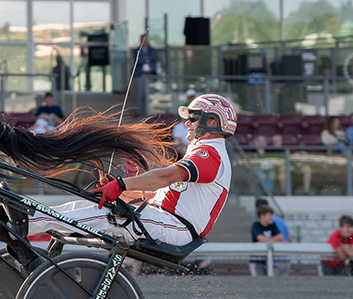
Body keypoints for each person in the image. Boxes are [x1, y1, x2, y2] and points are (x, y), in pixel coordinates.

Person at [28, 94, 237, 247]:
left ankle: (21, 224)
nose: (187, 122)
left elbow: (165, 176)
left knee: (104, 214)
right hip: (166, 221)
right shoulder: (204, 152)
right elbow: (159, 194)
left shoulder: (211, 154)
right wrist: (122, 190)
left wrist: (121, 184)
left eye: (194, 117)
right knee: (85, 205)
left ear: (212, 122)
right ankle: (29, 219)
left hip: (176, 227)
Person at [249, 205, 283, 276]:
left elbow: (280, 237)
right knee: (258, 280)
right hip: (257, 260)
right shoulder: (256, 225)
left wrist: (267, 241)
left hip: (268, 260)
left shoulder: (272, 225)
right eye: (269, 215)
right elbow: (260, 238)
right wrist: (273, 240)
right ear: (262, 216)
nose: (271, 218)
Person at [132, 36, 159, 115]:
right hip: (141, 75)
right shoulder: (137, 50)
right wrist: (147, 58)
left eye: (145, 39)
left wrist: (145, 57)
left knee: (151, 94)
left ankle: (151, 112)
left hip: (150, 75)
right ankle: (138, 111)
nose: (144, 41)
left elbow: (155, 58)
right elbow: (138, 60)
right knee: (139, 93)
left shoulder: (152, 50)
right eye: (142, 40)